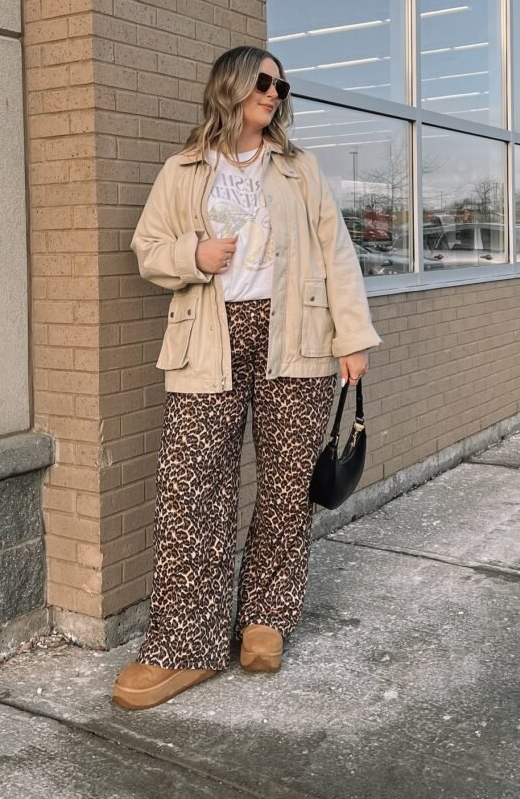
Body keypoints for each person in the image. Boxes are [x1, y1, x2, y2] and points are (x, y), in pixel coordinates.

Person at [112, 46, 382, 710]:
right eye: (262, 81)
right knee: (191, 488)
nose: (273, 92)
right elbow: (148, 248)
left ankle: (265, 618)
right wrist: (194, 254)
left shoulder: (299, 167)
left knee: (287, 487)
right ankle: (184, 643)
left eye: (280, 86)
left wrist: (352, 337)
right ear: (230, 85)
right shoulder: (183, 169)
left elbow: (336, 252)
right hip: (209, 336)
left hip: (297, 336)